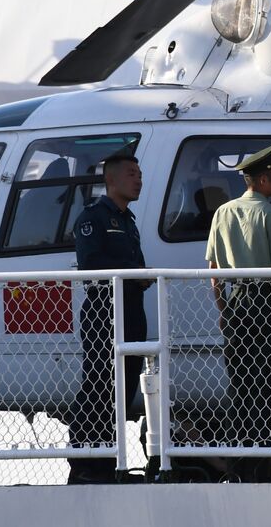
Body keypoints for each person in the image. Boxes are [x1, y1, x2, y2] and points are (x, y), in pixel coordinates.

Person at [205, 142, 271, 478]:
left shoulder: (222, 212)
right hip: (267, 301)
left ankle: (241, 464)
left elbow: (214, 268)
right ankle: (264, 465)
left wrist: (223, 308)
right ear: (261, 179)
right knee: (269, 386)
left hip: (236, 302)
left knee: (240, 386)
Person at [69, 153, 150, 484]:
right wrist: (137, 275)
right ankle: (86, 463)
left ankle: (109, 463)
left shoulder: (128, 221)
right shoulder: (94, 218)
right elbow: (92, 264)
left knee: (124, 389)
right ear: (111, 180)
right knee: (99, 388)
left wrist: (141, 276)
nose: (139, 180)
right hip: (104, 312)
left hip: (132, 312)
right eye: (132, 174)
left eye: (140, 174)